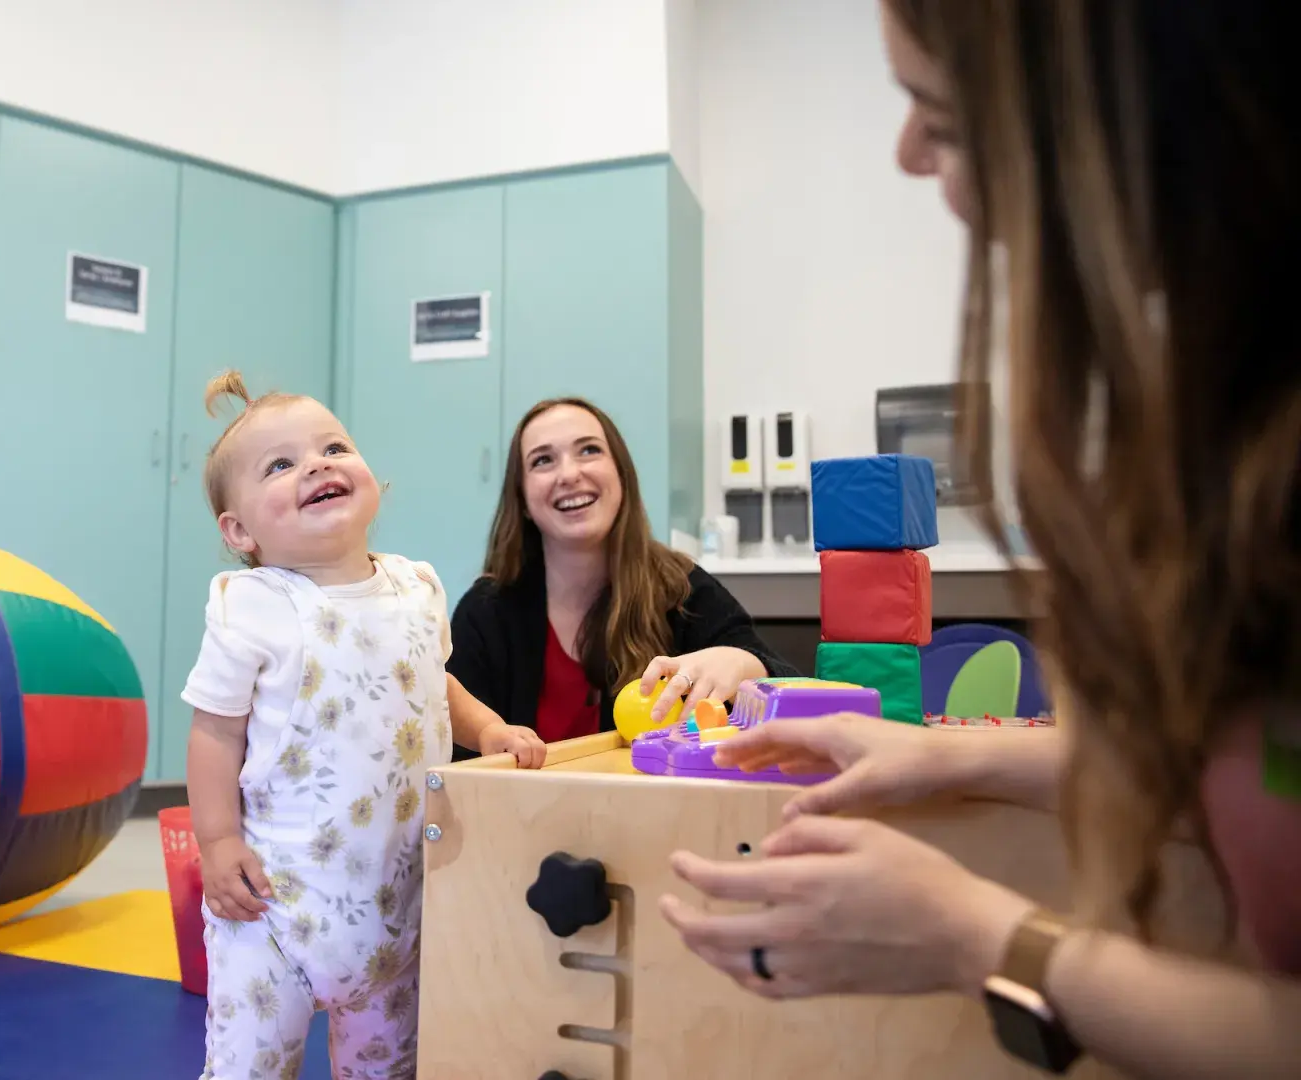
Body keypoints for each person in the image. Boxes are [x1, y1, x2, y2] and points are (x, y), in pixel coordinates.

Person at [656, 2, 1301, 1077]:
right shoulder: (1226, 423)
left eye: (939, 117)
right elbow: (1270, 777)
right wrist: (955, 754)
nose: (905, 153)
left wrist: (978, 937)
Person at [179, 370, 545, 1079]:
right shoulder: (251, 606)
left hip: (395, 912)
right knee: (249, 1068)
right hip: (275, 916)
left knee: (388, 1067)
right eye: (280, 465)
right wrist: (218, 841)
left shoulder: (416, 589)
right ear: (240, 531)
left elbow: (436, 685)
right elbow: (215, 733)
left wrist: (491, 730)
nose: (316, 465)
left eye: (333, 447)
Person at [448, 396, 798, 752]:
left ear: (621, 474)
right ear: (521, 497)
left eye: (588, 451)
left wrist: (744, 663)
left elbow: (797, 695)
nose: (569, 474)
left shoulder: (681, 588)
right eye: (543, 460)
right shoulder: (485, 611)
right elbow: (451, 761)